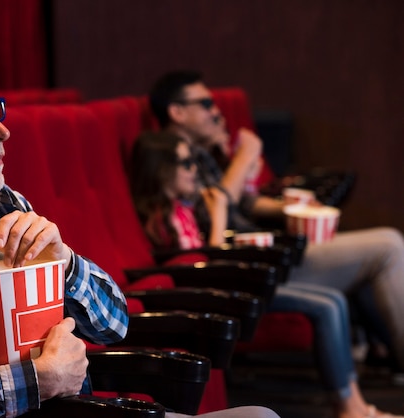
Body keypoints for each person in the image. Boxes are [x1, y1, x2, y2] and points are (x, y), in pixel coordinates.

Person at [0, 47, 280, 418]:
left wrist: (64, 261)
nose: (2, 131)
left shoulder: (8, 207)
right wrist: (38, 379)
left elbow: (113, 325)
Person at [128, 130, 403, 418]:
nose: (194, 171)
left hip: (235, 284)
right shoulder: (163, 218)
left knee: (333, 298)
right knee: (326, 305)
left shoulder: (184, 209)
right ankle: (349, 408)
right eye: (186, 164)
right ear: (162, 170)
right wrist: (219, 211)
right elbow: (204, 264)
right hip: (218, 295)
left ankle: (355, 404)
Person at [148, 70, 404, 377]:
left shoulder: (200, 153)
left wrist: (288, 208)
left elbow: (243, 202)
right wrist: (245, 157)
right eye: (205, 103)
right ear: (176, 111)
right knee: (388, 245)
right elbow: (215, 210)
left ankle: (383, 353)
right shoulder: (172, 158)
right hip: (253, 264)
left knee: (377, 254)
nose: (215, 111)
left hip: (267, 248)